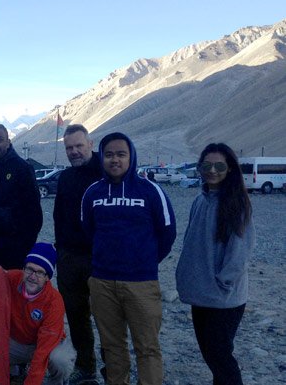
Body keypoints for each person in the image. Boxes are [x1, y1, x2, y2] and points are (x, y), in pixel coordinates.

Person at [81, 132, 176, 385]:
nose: (115, 160)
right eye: (109, 154)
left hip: (141, 283)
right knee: (112, 347)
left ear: (131, 156)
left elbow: (167, 232)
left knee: (147, 347)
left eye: (121, 154)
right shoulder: (92, 193)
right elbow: (88, 230)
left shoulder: (150, 191)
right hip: (102, 282)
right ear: (101, 157)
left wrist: (144, 261)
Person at [175, 143, 254, 385]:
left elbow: (240, 252)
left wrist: (223, 282)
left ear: (229, 169)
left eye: (219, 165)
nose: (212, 170)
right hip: (202, 294)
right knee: (212, 355)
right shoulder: (200, 200)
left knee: (220, 357)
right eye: (206, 165)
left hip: (223, 298)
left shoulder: (237, 203)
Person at [53, 124, 103, 384]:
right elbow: (58, 217)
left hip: (100, 259)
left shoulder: (106, 173)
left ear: (91, 144)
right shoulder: (66, 178)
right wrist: (61, 251)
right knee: (76, 316)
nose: (74, 152)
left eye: (78, 146)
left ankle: (113, 370)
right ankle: (86, 368)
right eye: (69, 148)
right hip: (70, 258)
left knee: (107, 318)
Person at [6, 242, 75, 385]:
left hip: (45, 345)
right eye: (29, 269)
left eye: (40, 272)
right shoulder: (12, 279)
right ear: (23, 268)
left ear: (47, 277)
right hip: (17, 342)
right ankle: (14, 372)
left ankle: (57, 381)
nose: (32, 276)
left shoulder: (54, 301)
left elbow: (43, 350)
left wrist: (32, 382)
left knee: (60, 359)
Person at [0, 123, 42, 269]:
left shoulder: (22, 169)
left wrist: (24, 247)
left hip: (16, 251)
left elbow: (34, 214)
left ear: (8, 142)